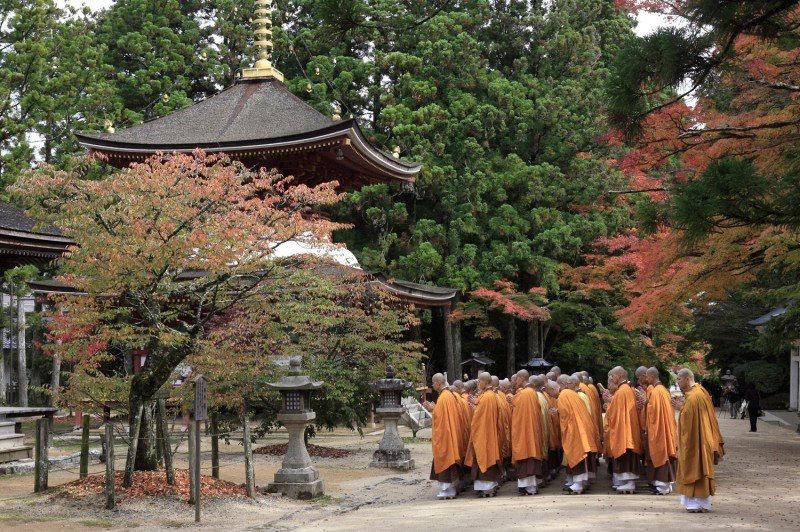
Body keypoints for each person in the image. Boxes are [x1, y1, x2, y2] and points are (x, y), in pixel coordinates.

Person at [676, 368, 716, 513]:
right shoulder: (700, 391)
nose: (677, 382)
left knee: (693, 466)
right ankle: (702, 503)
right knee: (700, 467)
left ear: (687, 379)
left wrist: (680, 408)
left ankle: (694, 503)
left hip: (694, 442)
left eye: (679, 379)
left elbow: (688, 423)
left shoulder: (693, 397)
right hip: (702, 439)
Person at [556, 374, 599, 494]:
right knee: (580, 455)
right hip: (582, 428)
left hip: (575, 430)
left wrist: (559, 414)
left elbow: (565, 414)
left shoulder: (565, 394)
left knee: (577, 454)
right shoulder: (575, 394)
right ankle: (580, 483)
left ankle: (579, 484)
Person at [464, 372, 502, 497]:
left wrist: (475, 407)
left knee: (483, 458)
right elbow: (482, 413)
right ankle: (487, 487)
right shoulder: (489, 395)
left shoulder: (486, 397)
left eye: (479, 381)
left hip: (483, 434)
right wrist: (476, 404)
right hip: (488, 433)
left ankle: (486, 488)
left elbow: (479, 418)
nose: (478, 384)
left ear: (485, 381)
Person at [606, 366, 643, 493]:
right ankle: (626, 482)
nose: (611, 378)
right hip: (627, 429)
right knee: (627, 456)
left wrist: (608, 404)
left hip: (624, 430)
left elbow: (615, 413)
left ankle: (629, 482)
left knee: (626, 455)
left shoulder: (622, 391)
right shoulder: (625, 389)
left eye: (613, 376)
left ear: (620, 375)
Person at [428, 373, 465, 499]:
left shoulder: (444, 397)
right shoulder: (450, 395)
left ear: (438, 383)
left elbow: (440, 418)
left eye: (433, 383)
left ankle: (446, 490)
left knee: (444, 459)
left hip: (445, 436)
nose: (432, 386)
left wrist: (433, 408)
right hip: (451, 434)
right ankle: (450, 489)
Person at [511, 373, 546, 495]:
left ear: (522, 378)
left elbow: (518, 414)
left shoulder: (524, 394)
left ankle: (527, 487)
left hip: (524, 432)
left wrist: (512, 401)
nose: (515, 382)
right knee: (530, 457)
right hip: (530, 431)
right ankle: (531, 487)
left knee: (525, 456)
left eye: (516, 379)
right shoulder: (531, 392)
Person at [645, 367, 677, 495]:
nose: (646, 380)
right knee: (665, 453)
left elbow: (654, 412)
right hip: (666, 426)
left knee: (660, 453)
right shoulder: (663, 390)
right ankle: (665, 485)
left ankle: (662, 486)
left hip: (659, 428)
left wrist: (646, 404)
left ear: (652, 377)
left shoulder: (657, 392)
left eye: (647, 377)